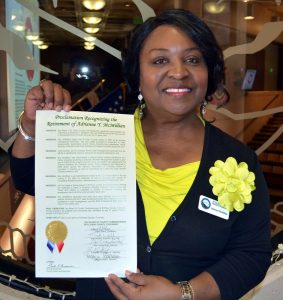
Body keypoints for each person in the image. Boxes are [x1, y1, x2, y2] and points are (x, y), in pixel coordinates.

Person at [9, 9, 271, 300]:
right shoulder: (98, 137)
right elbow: (28, 180)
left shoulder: (239, 161)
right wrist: (32, 125)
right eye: (160, 60)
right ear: (138, 73)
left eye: (193, 59)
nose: (179, 72)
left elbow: (250, 256)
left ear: (208, 73)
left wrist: (183, 294)